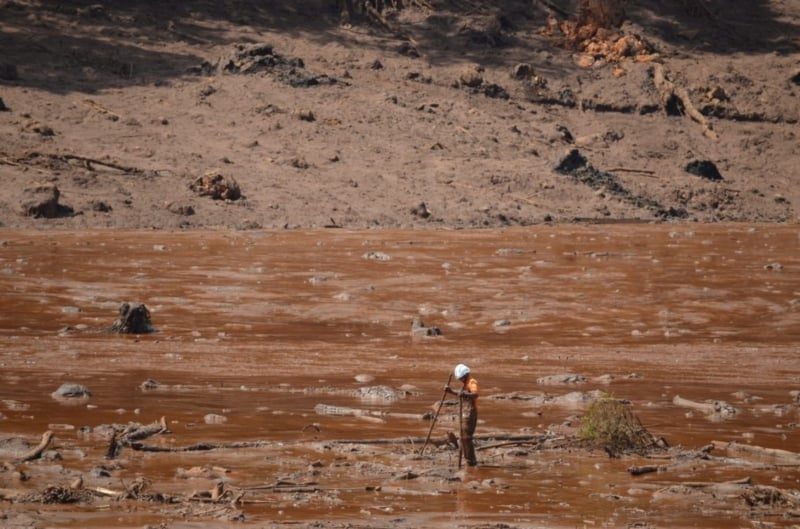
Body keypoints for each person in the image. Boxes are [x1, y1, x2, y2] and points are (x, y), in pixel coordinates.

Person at [445, 363, 479, 466]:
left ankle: (471, 460)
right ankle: (468, 458)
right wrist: (450, 391)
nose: (460, 380)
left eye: (461, 378)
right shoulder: (465, 385)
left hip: (471, 412)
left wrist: (465, 394)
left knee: (466, 437)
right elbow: (461, 395)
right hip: (465, 412)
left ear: (465, 375)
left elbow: (475, 394)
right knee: (463, 437)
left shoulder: (472, 382)